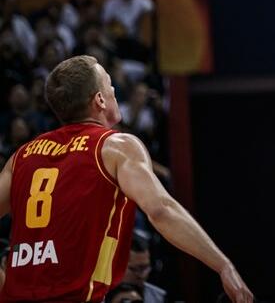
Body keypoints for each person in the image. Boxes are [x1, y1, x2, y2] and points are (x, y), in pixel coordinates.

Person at [0, 55, 252, 302]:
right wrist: (223, 265)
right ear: (99, 100)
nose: (114, 92)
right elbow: (161, 210)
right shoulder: (114, 146)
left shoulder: (21, 156)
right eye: (110, 86)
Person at [122, 236, 166, 303]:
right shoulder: (101, 294)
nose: (142, 276)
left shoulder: (159, 298)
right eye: (134, 269)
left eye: (145, 268)